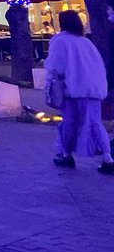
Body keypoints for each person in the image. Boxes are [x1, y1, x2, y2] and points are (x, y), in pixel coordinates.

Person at [45, 9, 113, 174]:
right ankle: (107, 158)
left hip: (72, 89)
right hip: (93, 89)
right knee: (95, 123)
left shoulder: (60, 41)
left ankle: (67, 154)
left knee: (69, 122)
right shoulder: (85, 42)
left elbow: (56, 66)